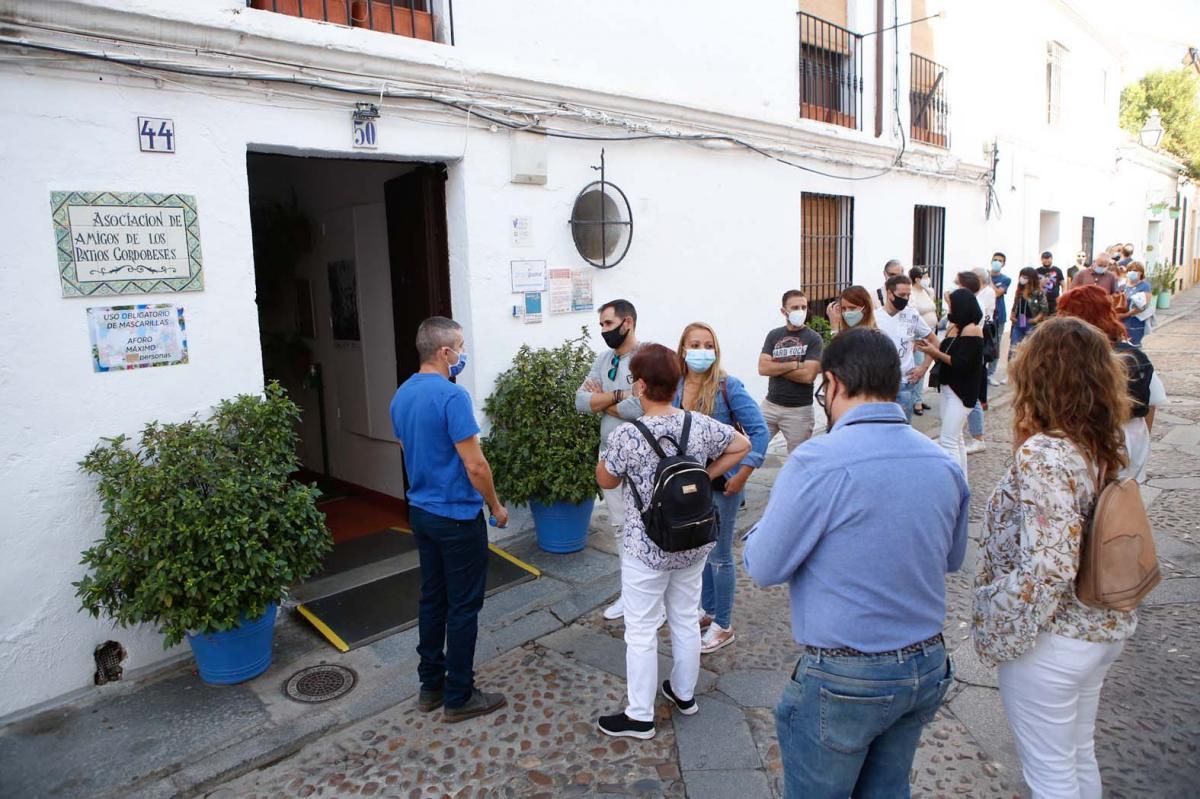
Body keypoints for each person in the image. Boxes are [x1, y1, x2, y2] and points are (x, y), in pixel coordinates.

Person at [744, 328, 969, 799]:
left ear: (832, 383)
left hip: (847, 675)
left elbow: (764, 566)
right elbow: (952, 559)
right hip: (925, 664)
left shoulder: (817, 461)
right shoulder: (943, 462)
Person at [973, 317, 1137, 798]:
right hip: (1099, 628)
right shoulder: (1099, 442)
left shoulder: (1046, 452)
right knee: (1075, 757)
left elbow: (1049, 565)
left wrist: (994, 610)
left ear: (1038, 377)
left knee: (1049, 775)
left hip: (1056, 639)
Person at [596, 344, 750, 739]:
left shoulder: (628, 435)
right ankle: (684, 694)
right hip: (694, 540)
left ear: (642, 385)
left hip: (647, 546)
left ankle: (639, 715)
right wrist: (705, 472)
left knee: (642, 628)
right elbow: (743, 445)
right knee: (684, 617)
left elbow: (606, 480)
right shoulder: (698, 424)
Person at [390, 317, 509, 722]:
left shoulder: (402, 394)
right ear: (445, 352)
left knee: (432, 599)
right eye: (459, 346)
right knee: (462, 606)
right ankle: (459, 694)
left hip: (421, 511)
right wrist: (494, 505)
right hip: (456, 516)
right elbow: (475, 465)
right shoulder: (451, 396)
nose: (462, 354)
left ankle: (430, 685)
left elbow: (408, 448)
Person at [676, 323, 770, 653]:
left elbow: (759, 432)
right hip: (689, 483)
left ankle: (724, 624)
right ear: (683, 349)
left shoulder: (729, 386)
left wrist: (743, 473)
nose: (701, 350)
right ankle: (709, 610)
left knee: (719, 555)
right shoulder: (675, 387)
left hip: (724, 482)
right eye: (694, 344)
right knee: (700, 551)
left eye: (707, 344)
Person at [576, 299, 645, 621]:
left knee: (646, 527)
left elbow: (641, 408)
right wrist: (619, 396)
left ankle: (651, 598)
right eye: (601, 325)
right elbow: (580, 401)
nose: (603, 331)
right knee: (620, 527)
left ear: (626, 322)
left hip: (643, 457)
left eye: (607, 324)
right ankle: (630, 594)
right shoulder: (604, 359)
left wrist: (602, 402)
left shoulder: (646, 357)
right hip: (609, 456)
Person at [1057, 285, 1167, 482]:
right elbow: (1152, 402)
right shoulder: (1133, 355)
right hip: (1130, 444)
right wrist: (1140, 441)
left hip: (1086, 449)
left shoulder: (1067, 359)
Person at [915, 289, 984, 480]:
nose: (949, 308)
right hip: (948, 387)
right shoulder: (955, 327)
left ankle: (952, 483)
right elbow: (948, 350)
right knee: (957, 439)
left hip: (961, 390)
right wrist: (929, 348)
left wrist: (935, 353)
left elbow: (962, 363)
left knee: (948, 440)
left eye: (952, 305)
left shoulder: (972, 329)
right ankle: (961, 482)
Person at [758, 290, 823, 454]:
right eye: (795, 307)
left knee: (798, 459)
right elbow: (763, 368)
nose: (800, 311)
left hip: (799, 411)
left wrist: (777, 367)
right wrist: (795, 364)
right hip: (770, 405)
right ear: (783, 311)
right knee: (752, 448)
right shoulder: (774, 335)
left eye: (804, 307)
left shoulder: (814, 338)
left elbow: (808, 375)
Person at [875, 274, 937, 423]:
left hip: (904, 384)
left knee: (902, 427)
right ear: (889, 293)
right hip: (879, 384)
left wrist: (923, 368)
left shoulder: (911, 315)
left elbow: (934, 341)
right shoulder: (875, 317)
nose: (905, 298)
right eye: (901, 295)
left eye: (908, 295)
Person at [909, 267, 940, 416]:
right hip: (919, 337)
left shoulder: (928, 292)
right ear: (917, 279)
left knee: (925, 366)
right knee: (919, 366)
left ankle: (918, 398)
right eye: (925, 276)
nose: (928, 279)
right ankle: (916, 401)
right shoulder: (911, 294)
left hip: (930, 334)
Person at [1009, 267, 1049, 359]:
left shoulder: (1039, 293)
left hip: (1031, 323)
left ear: (1031, 278)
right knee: (1014, 347)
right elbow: (1015, 305)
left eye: (1025, 276)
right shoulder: (1019, 291)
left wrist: (1035, 319)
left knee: (1030, 348)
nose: (1022, 278)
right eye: (1021, 276)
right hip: (1018, 321)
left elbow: (1044, 309)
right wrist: (1012, 315)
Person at [987, 254, 1012, 385]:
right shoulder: (982, 276)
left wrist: (989, 280)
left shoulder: (1005, 279)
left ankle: (990, 373)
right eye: (995, 260)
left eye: (1000, 261)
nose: (997, 262)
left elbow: (997, 293)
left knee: (995, 344)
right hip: (985, 315)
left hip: (999, 315)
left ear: (1003, 264)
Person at [1118, 261, 1153, 346]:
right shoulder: (1123, 284)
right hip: (1120, 320)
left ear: (1141, 273)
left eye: (1135, 271)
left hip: (1135, 320)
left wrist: (1127, 314)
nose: (1132, 273)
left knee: (1133, 345)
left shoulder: (1145, 286)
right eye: (1130, 270)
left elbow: (1144, 305)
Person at [1037, 251, 1066, 315]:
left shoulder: (1057, 270)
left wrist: (1062, 297)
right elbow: (1034, 285)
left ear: (1052, 259)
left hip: (1054, 300)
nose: (1046, 260)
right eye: (1044, 258)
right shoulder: (1037, 271)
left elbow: (1063, 284)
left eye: (1048, 258)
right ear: (1041, 259)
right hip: (1041, 300)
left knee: (1053, 318)